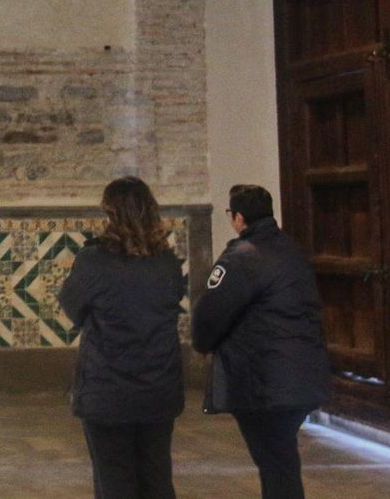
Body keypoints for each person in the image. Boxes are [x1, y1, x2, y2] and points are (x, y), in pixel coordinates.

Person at [192, 184, 330, 499]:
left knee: (275, 462)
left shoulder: (240, 257)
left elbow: (209, 313)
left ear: (239, 217)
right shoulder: (292, 250)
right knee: (279, 459)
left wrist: (202, 345)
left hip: (263, 381)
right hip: (300, 374)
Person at [56, 176, 185, 499]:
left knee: (114, 481)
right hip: (159, 388)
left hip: (108, 391)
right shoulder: (167, 262)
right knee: (157, 479)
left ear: (111, 214)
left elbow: (72, 307)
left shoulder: (94, 261)